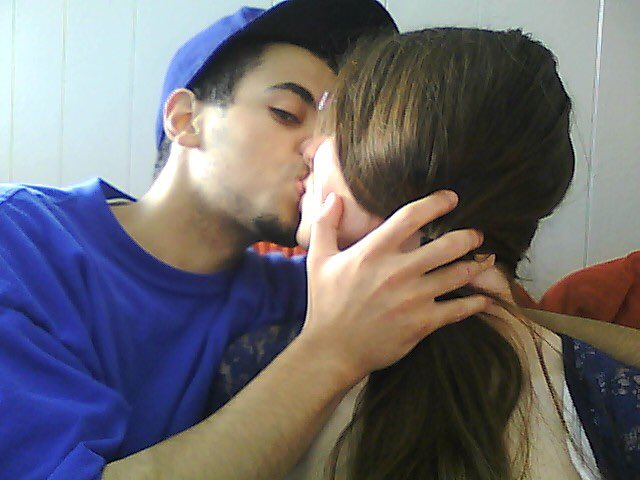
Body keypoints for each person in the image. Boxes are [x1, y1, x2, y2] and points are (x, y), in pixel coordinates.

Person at [0, 2, 496, 479]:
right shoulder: (22, 242)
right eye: (286, 113)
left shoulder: (299, 290)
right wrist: (332, 352)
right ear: (185, 120)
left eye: (333, 133)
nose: (317, 149)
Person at [215, 28, 640, 479]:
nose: (309, 147)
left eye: (336, 127)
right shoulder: (256, 364)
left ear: (404, 154)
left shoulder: (612, 401)